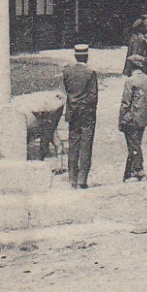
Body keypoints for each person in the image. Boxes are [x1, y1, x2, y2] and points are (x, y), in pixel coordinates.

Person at [62, 45, 98, 190]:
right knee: (86, 145)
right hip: (87, 113)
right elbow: (94, 96)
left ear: (76, 56)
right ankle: (82, 179)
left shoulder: (67, 71)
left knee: (73, 144)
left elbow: (67, 89)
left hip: (72, 112)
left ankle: (72, 178)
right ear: (86, 56)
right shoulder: (90, 73)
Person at [118, 65, 147, 183]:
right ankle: (128, 174)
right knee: (135, 144)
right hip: (144, 117)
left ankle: (139, 170)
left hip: (132, 118)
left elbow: (125, 102)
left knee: (134, 145)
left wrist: (121, 119)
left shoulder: (130, 81)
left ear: (131, 68)